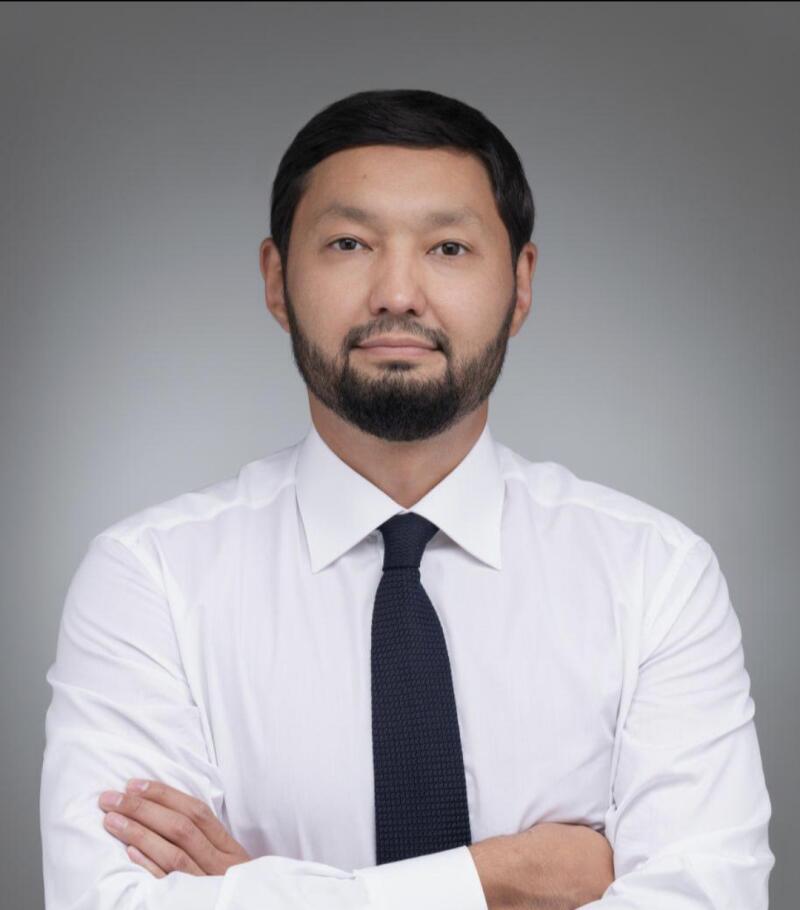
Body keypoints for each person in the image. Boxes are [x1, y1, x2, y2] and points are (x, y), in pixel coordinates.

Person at [40, 89, 775, 910]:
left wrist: (257, 892)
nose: (397, 293)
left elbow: (710, 898)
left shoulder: (656, 575)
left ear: (521, 284)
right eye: (349, 243)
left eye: (449, 248)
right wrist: (507, 877)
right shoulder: (150, 579)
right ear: (277, 280)